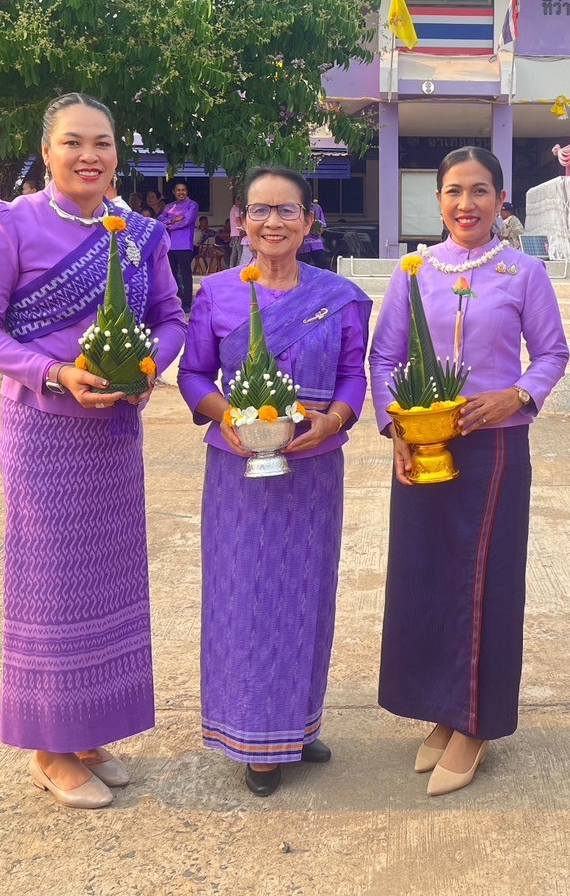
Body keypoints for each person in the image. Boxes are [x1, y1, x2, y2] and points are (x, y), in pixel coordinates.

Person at [0, 93, 185, 811]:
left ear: (118, 154)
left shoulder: (140, 233)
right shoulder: (8, 222)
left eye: (103, 143)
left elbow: (170, 318)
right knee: (52, 583)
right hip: (44, 430)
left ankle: (88, 733)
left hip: (113, 434)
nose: (90, 155)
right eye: (73, 142)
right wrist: (54, 372)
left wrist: (145, 370)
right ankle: (48, 748)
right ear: (47, 151)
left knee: (109, 581)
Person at [369, 146, 570, 797]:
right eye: (453, 191)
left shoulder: (523, 272)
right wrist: (396, 429)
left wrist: (515, 395)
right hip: (425, 445)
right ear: (438, 201)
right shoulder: (415, 270)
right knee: (426, 577)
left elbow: (552, 353)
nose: (466, 203)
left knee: (484, 581)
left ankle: (476, 723)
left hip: (495, 447)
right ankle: (441, 707)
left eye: (480, 190)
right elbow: (384, 357)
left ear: (500, 200)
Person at [178, 165, 371, 798]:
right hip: (239, 469)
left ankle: (298, 723)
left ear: (309, 221)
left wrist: (334, 420)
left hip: (313, 467)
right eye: (259, 210)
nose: (273, 222)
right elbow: (194, 375)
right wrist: (227, 417)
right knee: (246, 596)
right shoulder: (217, 293)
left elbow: (353, 376)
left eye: (287, 210)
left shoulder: (340, 297)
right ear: (241, 222)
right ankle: (254, 735)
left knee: (307, 595)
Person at [161, 181, 199, 313]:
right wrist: (173, 220)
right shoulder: (169, 206)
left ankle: (187, 303)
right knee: (171, 275)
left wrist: (169, 225)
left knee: (185, 274)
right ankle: (175, 301)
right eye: (178, 190)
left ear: (187, 191)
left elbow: (186, 222)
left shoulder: (192, 205)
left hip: (184, 245)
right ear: (174, 192)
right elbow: (160, 219)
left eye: (183, 190)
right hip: (169, 245)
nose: (181, 192)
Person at [299, 197, 330, 269]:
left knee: (324, 267)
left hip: (316, 243)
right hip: (301, 245)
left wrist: (318, 231)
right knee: (302, 269)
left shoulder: (316, 207)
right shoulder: (296, 209)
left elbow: (323, 226)